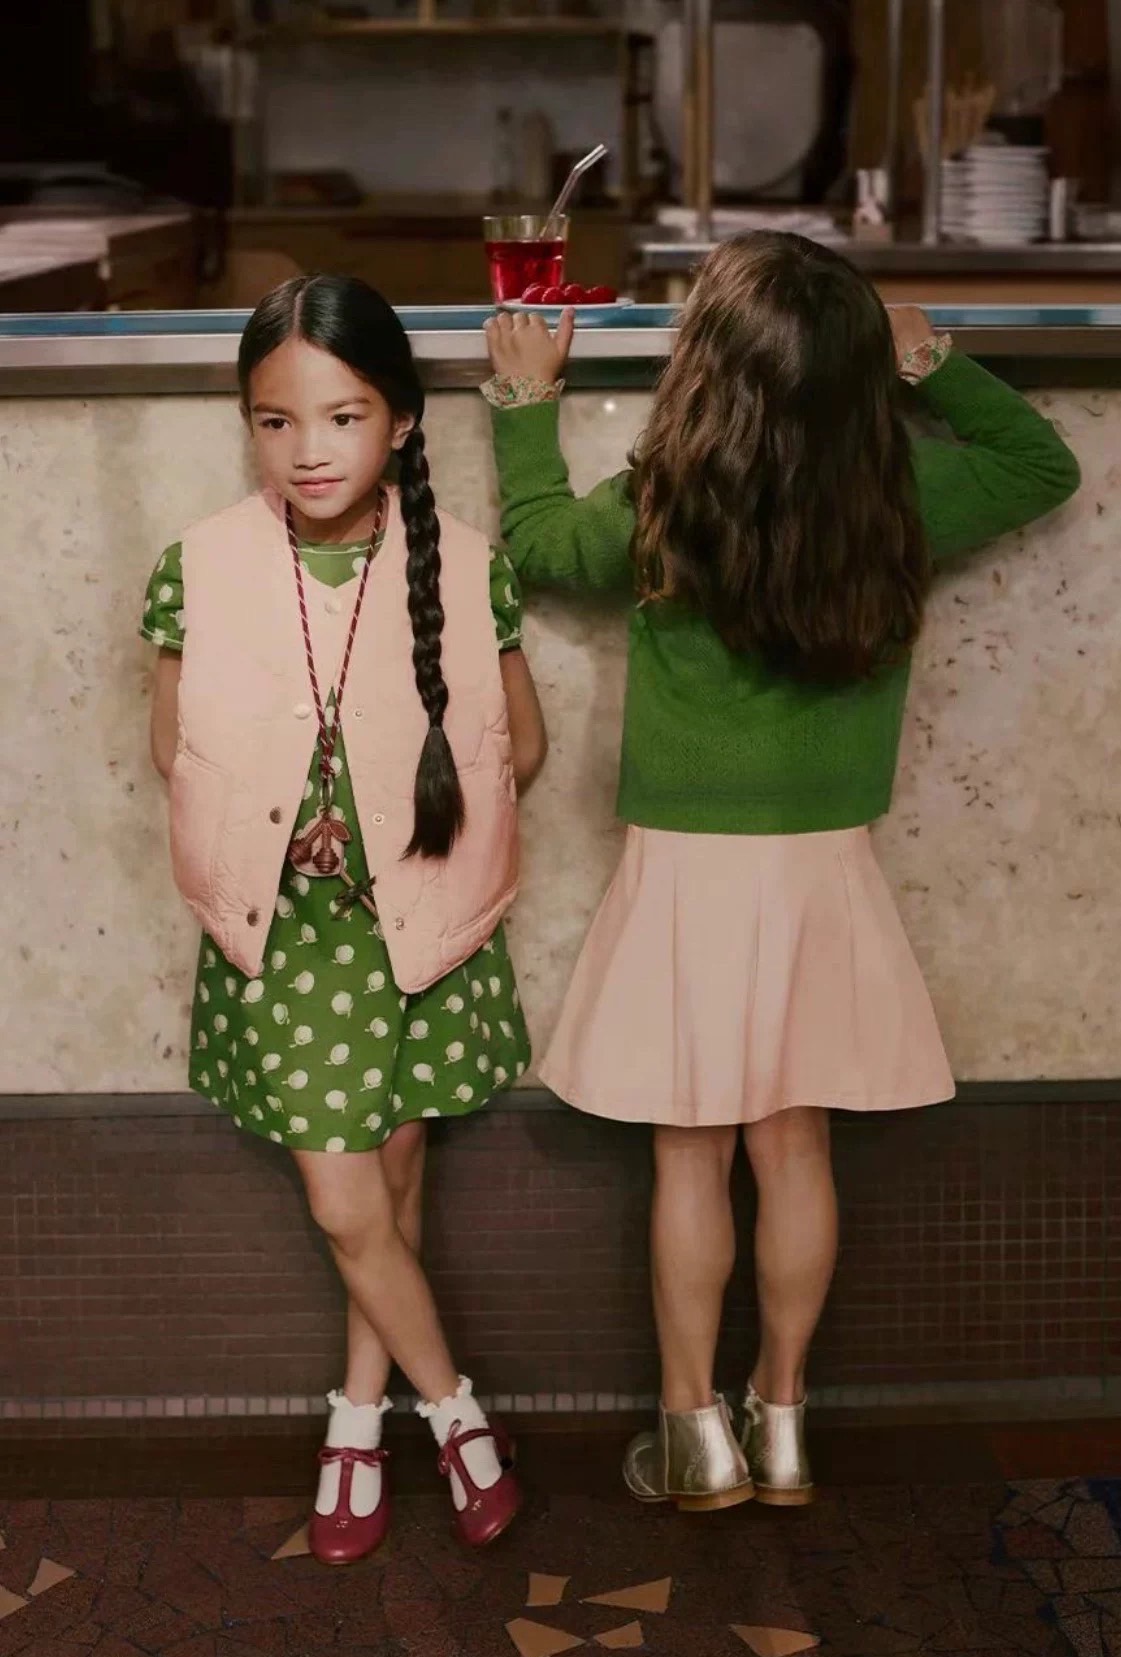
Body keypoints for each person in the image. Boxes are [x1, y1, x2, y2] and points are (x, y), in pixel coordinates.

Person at [483, 232, 1080, 1511]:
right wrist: (929, 360)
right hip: (822, 866)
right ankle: (786, 1421)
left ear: (703, 368)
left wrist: (525, 401)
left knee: (689, 1155)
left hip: (685, 868)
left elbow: (537, 546)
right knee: (794, 1144)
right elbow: (1042, 465)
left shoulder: (666, 494)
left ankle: (692, 1433)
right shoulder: (898, 494)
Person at [142, 275, 548, 1558]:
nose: (307, 449)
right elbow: (175, 751)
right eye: (274, 421)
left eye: (342, 415)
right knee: (345, 1201)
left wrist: (390, 822)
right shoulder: (201, 568)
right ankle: (457, 1413)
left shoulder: (464, 568)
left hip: (418, 923)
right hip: (291, 937)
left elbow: (522, 747)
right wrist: (293, 820)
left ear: (401, 422)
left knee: (392, 1181)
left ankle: (356, 1424)